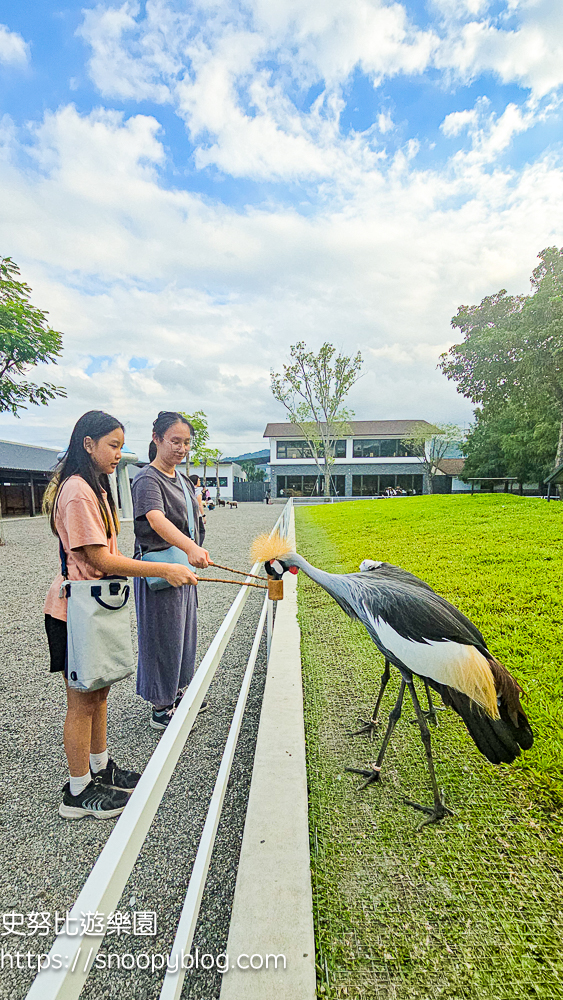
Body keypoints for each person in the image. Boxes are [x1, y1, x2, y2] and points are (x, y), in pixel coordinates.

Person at [44, 410, 195, 821]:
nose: (118, 454)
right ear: (88, 444)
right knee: (81, 700)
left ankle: (100, 767)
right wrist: (163, 569)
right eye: (112, 446)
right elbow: (99, 559)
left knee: (99, 692)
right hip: (75, 610)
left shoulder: (95, 486)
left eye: (121, 446)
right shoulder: (77, 490)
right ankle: (78, 791)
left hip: (95, 605)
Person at [132, 412, 210, 731]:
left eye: (186, 442)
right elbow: (156, 519)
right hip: (160, 569)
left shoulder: (183, 479)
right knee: (162, 634)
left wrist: (194, 544)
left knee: (183, 633)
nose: (181, 448)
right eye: (175, 441)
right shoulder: (147, 479)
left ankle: (177, 691)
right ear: (157, 439)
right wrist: (191, 547)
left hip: (182, 565)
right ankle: (161, 706)